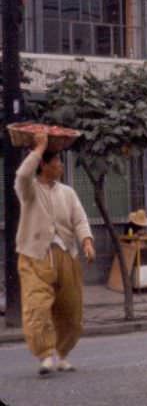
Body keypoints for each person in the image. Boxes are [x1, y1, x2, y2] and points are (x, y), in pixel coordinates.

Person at [16, 132, 95, 376]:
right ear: (44, 166)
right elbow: (22, 174)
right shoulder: (29, 190)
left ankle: (61, 355)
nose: (61, 166)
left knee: (71, 309)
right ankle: (45, 355)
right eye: (57, 162)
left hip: (66, 255)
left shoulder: (67, 193)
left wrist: (87, 241)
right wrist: (38, 149)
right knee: (37, 306)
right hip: (35, 256)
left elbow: (79, 219)